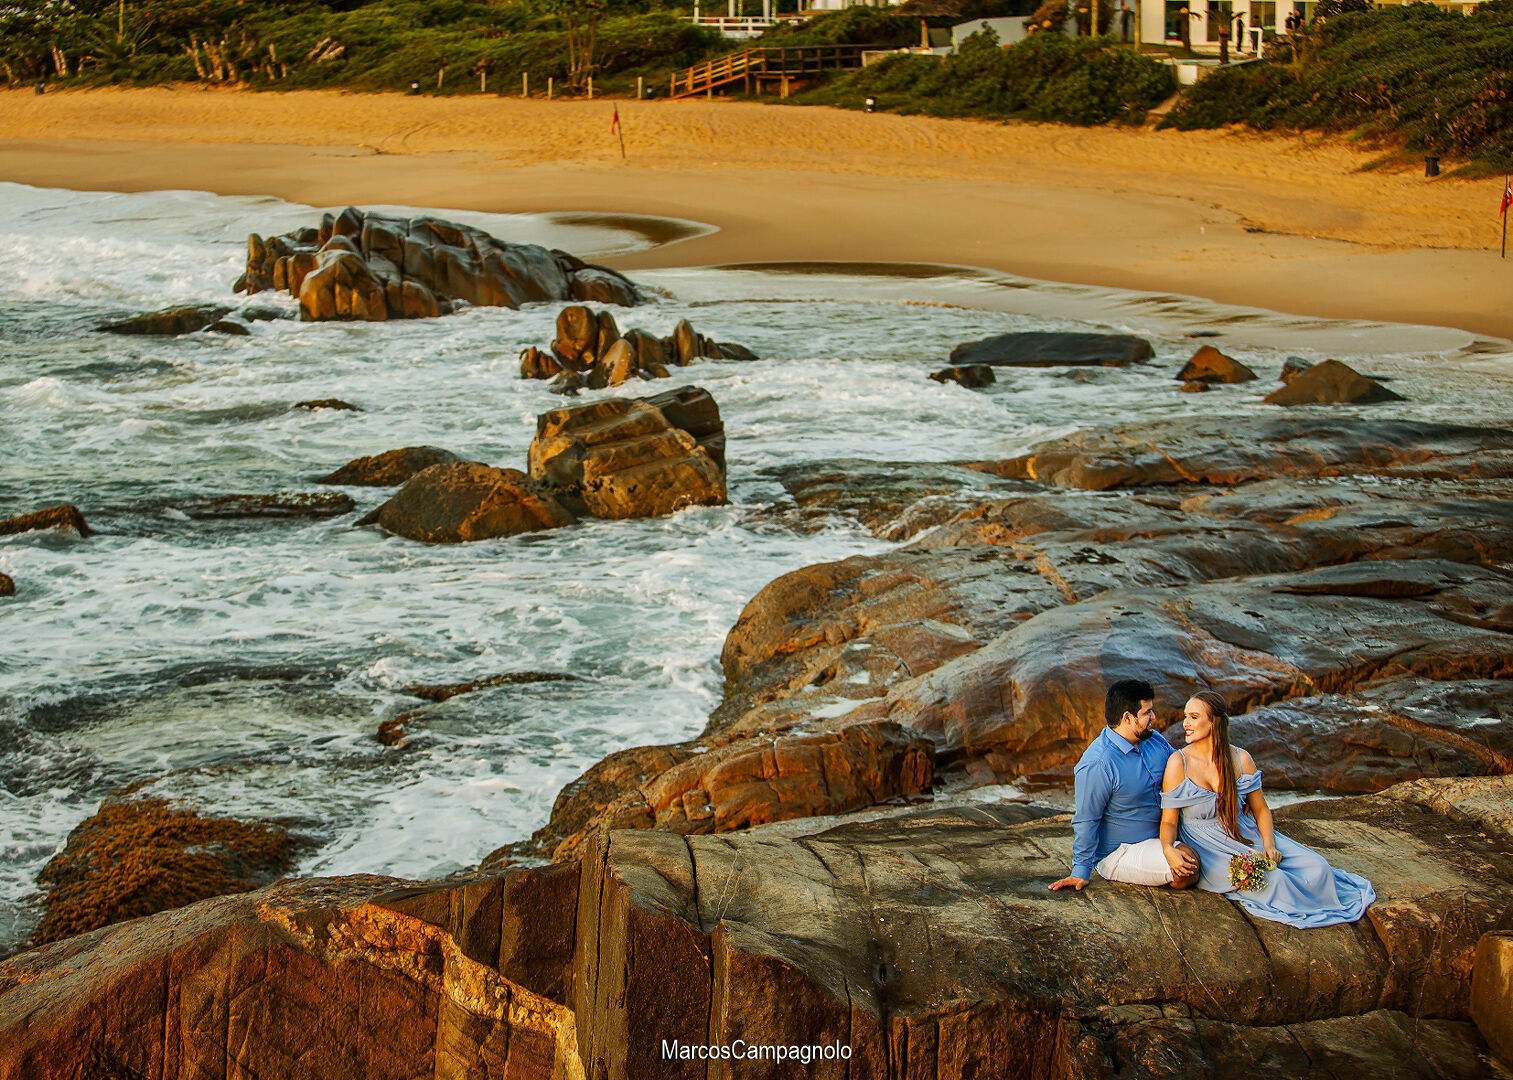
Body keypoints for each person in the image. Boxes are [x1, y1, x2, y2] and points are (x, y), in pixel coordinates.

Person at [1160, 690, 1375, 927]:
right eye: (1185, 716)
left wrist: (1269, 845)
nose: (1185, 723)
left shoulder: (1241, 759)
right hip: (1209, 846)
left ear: (1214, 722)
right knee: (1273, 881)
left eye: (1193, 717)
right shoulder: (1178, 763)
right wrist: (1168, 848)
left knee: (1319, 868)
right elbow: (1169, 821)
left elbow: (1261, 809)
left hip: (1245, 832)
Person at [1050, 679, 1201, 892]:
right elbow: (1086, 818)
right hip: (1120, 851)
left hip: (1165, 833)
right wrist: (1080, 870)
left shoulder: (1154, 740)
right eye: (1147, 713)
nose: (1154, 718)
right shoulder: (1098, 763)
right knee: (1189, 866)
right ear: (1127, 718)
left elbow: (1186, 770)